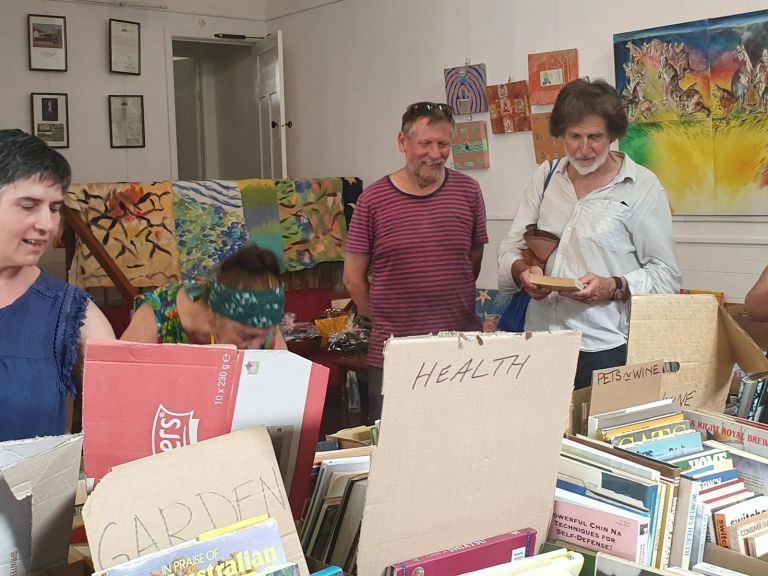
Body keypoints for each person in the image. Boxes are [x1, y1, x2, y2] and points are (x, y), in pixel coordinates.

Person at [498, 79, 682, 390]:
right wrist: (523, 274)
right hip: (537, 343)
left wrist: (612, 286)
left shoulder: (641, 187)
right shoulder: (545, 177)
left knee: (594, 438)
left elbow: (667, 277)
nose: (584, 149)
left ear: (614, 134)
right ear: (561, 133)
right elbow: (508, 251)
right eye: (574, 137)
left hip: (604, 350)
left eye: (595, 137)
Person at [343, 101, 488, 421]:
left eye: (443, 144)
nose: (435, 154)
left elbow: (472, 262)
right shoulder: (373, 201)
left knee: (466, 445)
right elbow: (353, 279)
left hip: (461, 352)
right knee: (394, 453)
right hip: (395, 355)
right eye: (425, 143)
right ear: (402, 142)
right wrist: (386, 321)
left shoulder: (469, 191)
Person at [0, 129, 115, 441]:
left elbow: (123, 412)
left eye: (53, 208)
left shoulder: (74, 313)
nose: (48, 225)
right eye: (29, 206)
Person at [121, 244, 288, 350]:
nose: (255, 347)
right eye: (247, 336)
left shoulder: (261, 325)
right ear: (213, 314)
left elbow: (285, 382)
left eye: (265, 335)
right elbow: (117, 379)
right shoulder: (157, 315)